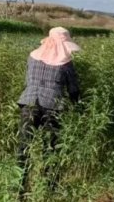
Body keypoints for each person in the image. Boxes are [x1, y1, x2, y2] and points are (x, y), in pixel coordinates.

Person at [17, 26, 80, 190]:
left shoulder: (32, 57)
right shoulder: (65, 63)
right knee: (51, 147)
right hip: (52, 107)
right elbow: (73, 89)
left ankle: (19, 186)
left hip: (28, 104)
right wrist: (77, 106)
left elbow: (27, 82)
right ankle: (50, 186)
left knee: (24, 147)